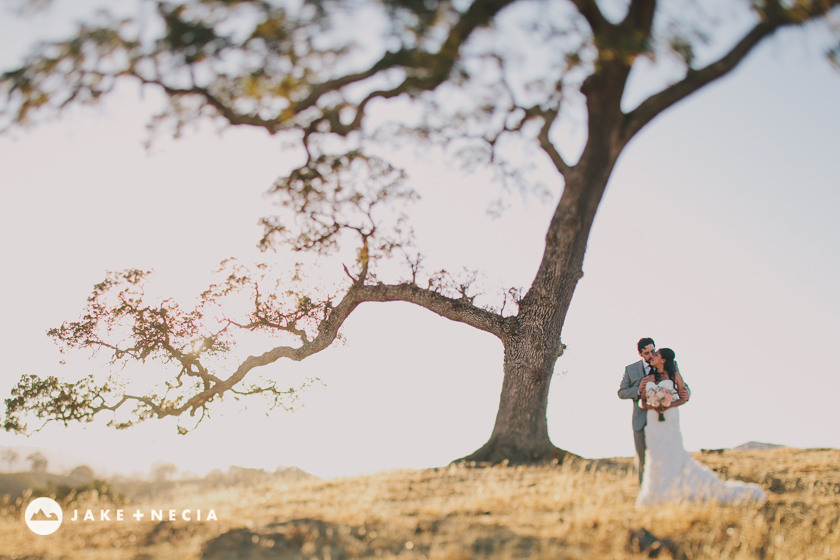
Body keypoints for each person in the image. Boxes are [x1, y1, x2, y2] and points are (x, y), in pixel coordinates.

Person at [635, 348, 767, 506]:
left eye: (656, 355)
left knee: (672, 452)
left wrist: (668, 405)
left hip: (670, 418)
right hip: (654, 420)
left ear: (663, 360)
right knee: (656, 455)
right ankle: (656, 493)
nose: (652, 356)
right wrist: (654, 407)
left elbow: (684, 397)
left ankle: (674, 491)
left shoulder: (674, 376)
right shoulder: (648, 378)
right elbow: (641, 402)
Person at [618, 338, 686, 484]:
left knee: (667, 452)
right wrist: (639, 389)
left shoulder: (669, 364)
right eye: (646, 353)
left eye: (653, 351)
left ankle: (671, 483)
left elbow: (681, 387)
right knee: (642, 457)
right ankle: (645, 486)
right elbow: (621, 392)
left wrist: (683, 397)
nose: (650, 355)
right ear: (640, 353)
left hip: (667, 417)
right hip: (641, 418)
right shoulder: (631, 369)